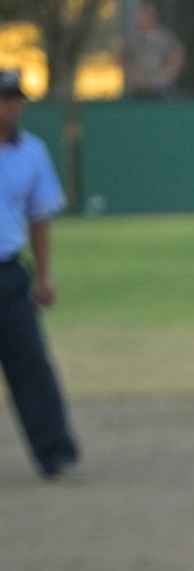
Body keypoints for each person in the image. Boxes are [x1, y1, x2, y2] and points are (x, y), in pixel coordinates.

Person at [0, 68, 79, 481]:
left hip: (9, 272)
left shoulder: (31, 151)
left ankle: (55, 452)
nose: (12, 105)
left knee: (31, 366)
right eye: (5, 98)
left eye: (16, 98)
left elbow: (39, 217)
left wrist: (44, 275)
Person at [122, 3, 186, 97]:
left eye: (149, 16)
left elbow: (177, 56)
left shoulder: (164, 38)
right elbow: (123, 58)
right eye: (144, 16)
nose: (146, 19)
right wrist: (134, 75)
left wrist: (166, 75)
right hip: (137, 88)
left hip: (160, 87)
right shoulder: (131, 38)